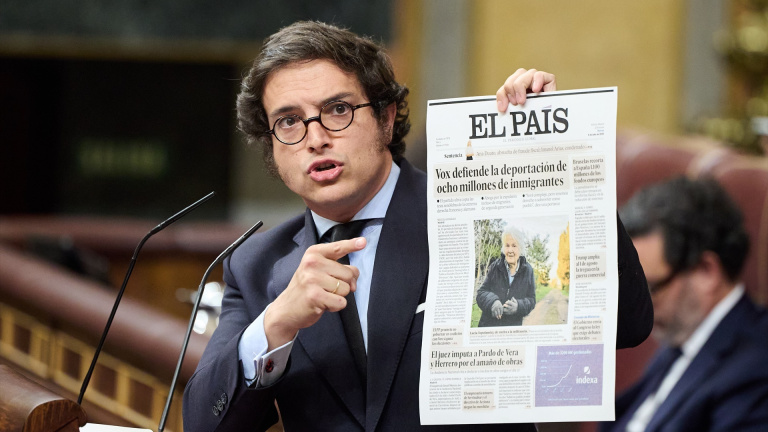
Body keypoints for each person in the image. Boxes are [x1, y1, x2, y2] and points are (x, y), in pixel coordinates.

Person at [183, 20, 652, 432]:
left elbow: (627, 324)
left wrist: (564, 162)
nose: (316, 138)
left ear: (386, 118)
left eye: (338, 110)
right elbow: (205, 423)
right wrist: (278, 323)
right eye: (288, 121)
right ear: (270, 146)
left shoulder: (476, 209)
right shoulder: (256, 265)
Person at [601, 177, 768, 432]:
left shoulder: (755, 368)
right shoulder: (684, 341)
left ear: (706, 271)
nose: (638, 306)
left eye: (650, 288)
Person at [476, 226, 536, 326]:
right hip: (489, 326)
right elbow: (481, 293)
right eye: (507, 245)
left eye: (514, 246)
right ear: (503, 248)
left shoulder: (528, 270)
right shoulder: (495, 266)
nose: (510, 250)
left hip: (512, 328)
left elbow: (531, 300)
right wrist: (493, 302)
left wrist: (518, 306)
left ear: (520, 249)